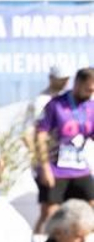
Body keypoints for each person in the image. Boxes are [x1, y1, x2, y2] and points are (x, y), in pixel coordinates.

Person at [34, 66, 94, 216]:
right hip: (55, 169)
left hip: (80, 168)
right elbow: (40, 135)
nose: (91, 93)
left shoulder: (91, 107)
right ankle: (40, 239)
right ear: (77, 84)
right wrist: (45, 167)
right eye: (88, 89)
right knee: (49, 214)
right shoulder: (55, 105)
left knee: (91, 207)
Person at [27, 66, 71, 234]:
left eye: (67, 78)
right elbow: (30, 133)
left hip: (69, 164)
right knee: (49, 210)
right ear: (51, 77)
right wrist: (40, 162)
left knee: (72, 208)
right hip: (49, 163)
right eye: (61, 78)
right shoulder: (40, 101)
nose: (64, 82)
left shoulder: (69, 100)